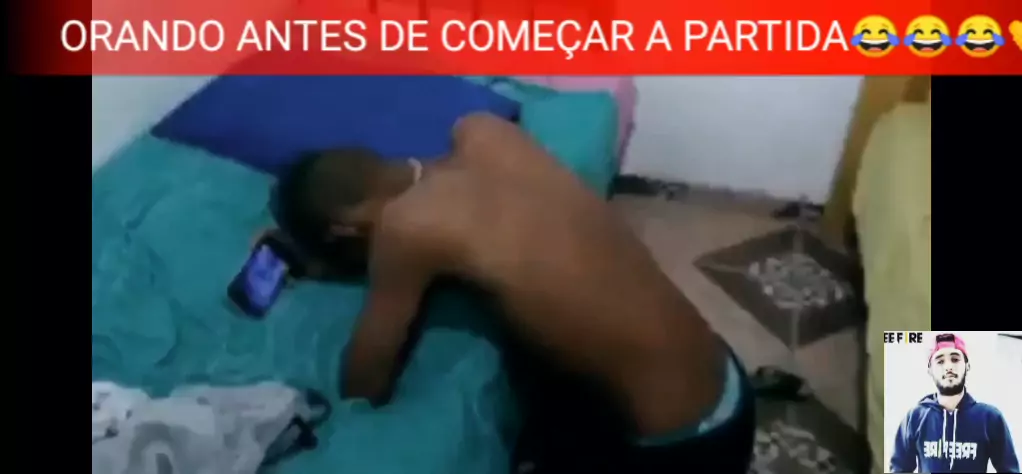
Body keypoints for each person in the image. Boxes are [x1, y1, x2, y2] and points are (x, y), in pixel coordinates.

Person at [265, 112, 756, 473]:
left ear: (345, 230)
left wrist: (339, 271)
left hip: (685, 449)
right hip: (723, 377)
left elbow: (363, 385)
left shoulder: (406, 226)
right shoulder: (483, 131)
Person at [889, 333, 1019, 473]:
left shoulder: (990, 418)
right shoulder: (915, 418)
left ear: (967, 366)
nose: (948, 367)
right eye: (940, 361)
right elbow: (899, 469)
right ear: (930, 370)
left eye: (955, 359)